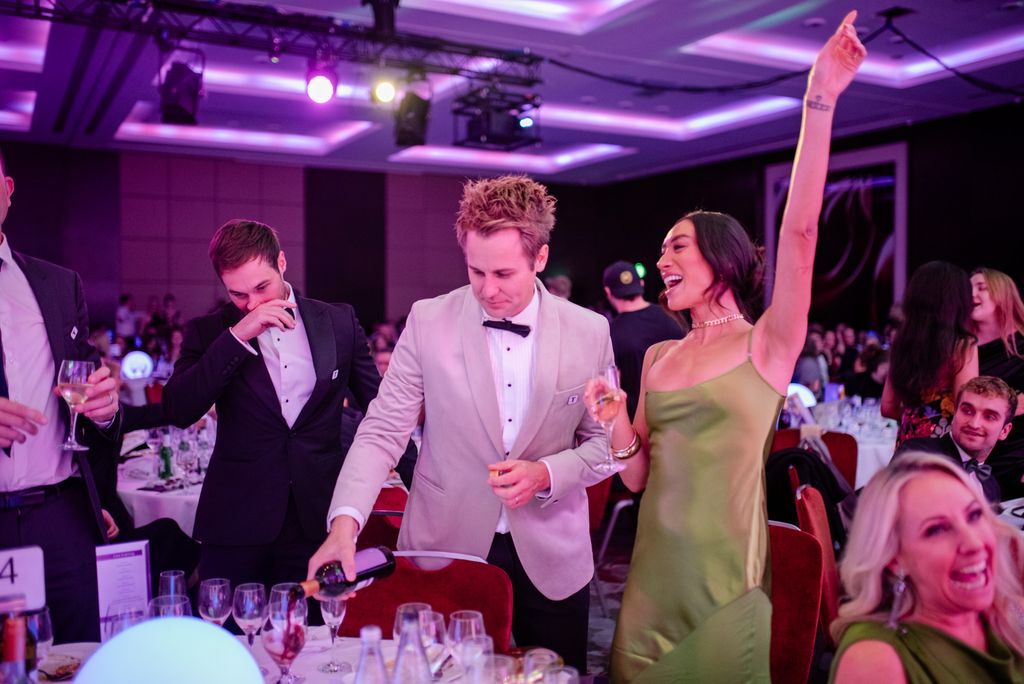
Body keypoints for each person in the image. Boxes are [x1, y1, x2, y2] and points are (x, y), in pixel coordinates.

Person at [583, 15, 865, 682]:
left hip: (725, 584)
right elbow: (636, 478)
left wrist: (819, 99)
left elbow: (800, 232)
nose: (662, 261)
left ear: (723, 257)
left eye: (677, 246)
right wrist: (615, 421)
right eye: (661, 250)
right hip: (650, 582)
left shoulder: (768, 343)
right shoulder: (660, 357)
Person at [309, 175, 614, 670]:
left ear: (540, 258)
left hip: (553, 556)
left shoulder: (590, 331)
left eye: (504, 274)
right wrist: (345, 525)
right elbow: (383, 431)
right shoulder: (429, 320)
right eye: (476, 271)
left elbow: (604, 446)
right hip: (445, 548)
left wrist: (546, 474)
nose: (488, 290)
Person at [162, 219, 401, 598]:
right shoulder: (209, 332)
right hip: (236, 522)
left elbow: (382, 411)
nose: (254, 304)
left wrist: (421, 484)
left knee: (311, 628)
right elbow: (178, 409)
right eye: (238, 294)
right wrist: (239, 335)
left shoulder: (337, 321)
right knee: (230, 629)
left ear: (282, 263)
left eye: (262, 287)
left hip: (316, 517)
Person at [0, 147, 122, 643]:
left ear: (7, 191)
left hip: (61, 514)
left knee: (79, 655)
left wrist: (105, 408)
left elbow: (86, 378)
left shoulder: (57, 284)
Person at [829, 451, 1024, 683]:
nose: (974, 543)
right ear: (893, 558)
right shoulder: (875, 661)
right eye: (937, 530)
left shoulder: (1002, 611)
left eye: (974, 515)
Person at [882, 261, 979, 446]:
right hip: (943, 446)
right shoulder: (962, 345)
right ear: (958, 301)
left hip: (907, 444)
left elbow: (887, 408)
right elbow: (965, 407)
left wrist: (917, 418)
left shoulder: (901, 341)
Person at [895, 376, 1016, 504]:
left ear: (1004, 431)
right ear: (955, 413)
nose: (974, 424)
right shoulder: (918, 455)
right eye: (967, 411)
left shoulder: (991, 487)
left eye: (989, 417)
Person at [601, 260, 683, 420]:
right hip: (682, 410)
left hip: (639, 423)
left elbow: (612, 389)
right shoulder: (671, 315)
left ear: (608, 292)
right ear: (641, 284)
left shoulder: (610, 332)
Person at [971, 267, 1024, 499]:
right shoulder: (962, 346)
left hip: (1017, 454)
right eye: (968, 289)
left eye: (981, 288)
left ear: (1003, 295)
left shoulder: (1021, 343)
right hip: (972, 453)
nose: (971, 294)